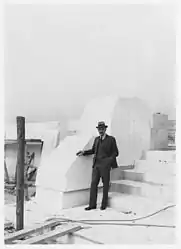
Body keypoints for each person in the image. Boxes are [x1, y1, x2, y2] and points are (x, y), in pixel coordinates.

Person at [76, 121, 119, 210]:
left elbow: (115, 152)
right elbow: (93, 150)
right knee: (93, 184)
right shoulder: (96, 140)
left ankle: (104, 205)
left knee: (105, 185)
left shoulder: (111, 139)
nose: (101, 131)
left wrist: (108, 161)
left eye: (102, 129)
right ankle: (92, 205)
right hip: (96, 166)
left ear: (105, 129)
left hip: (105, 166)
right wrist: (84, 152)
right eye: (99, 129)